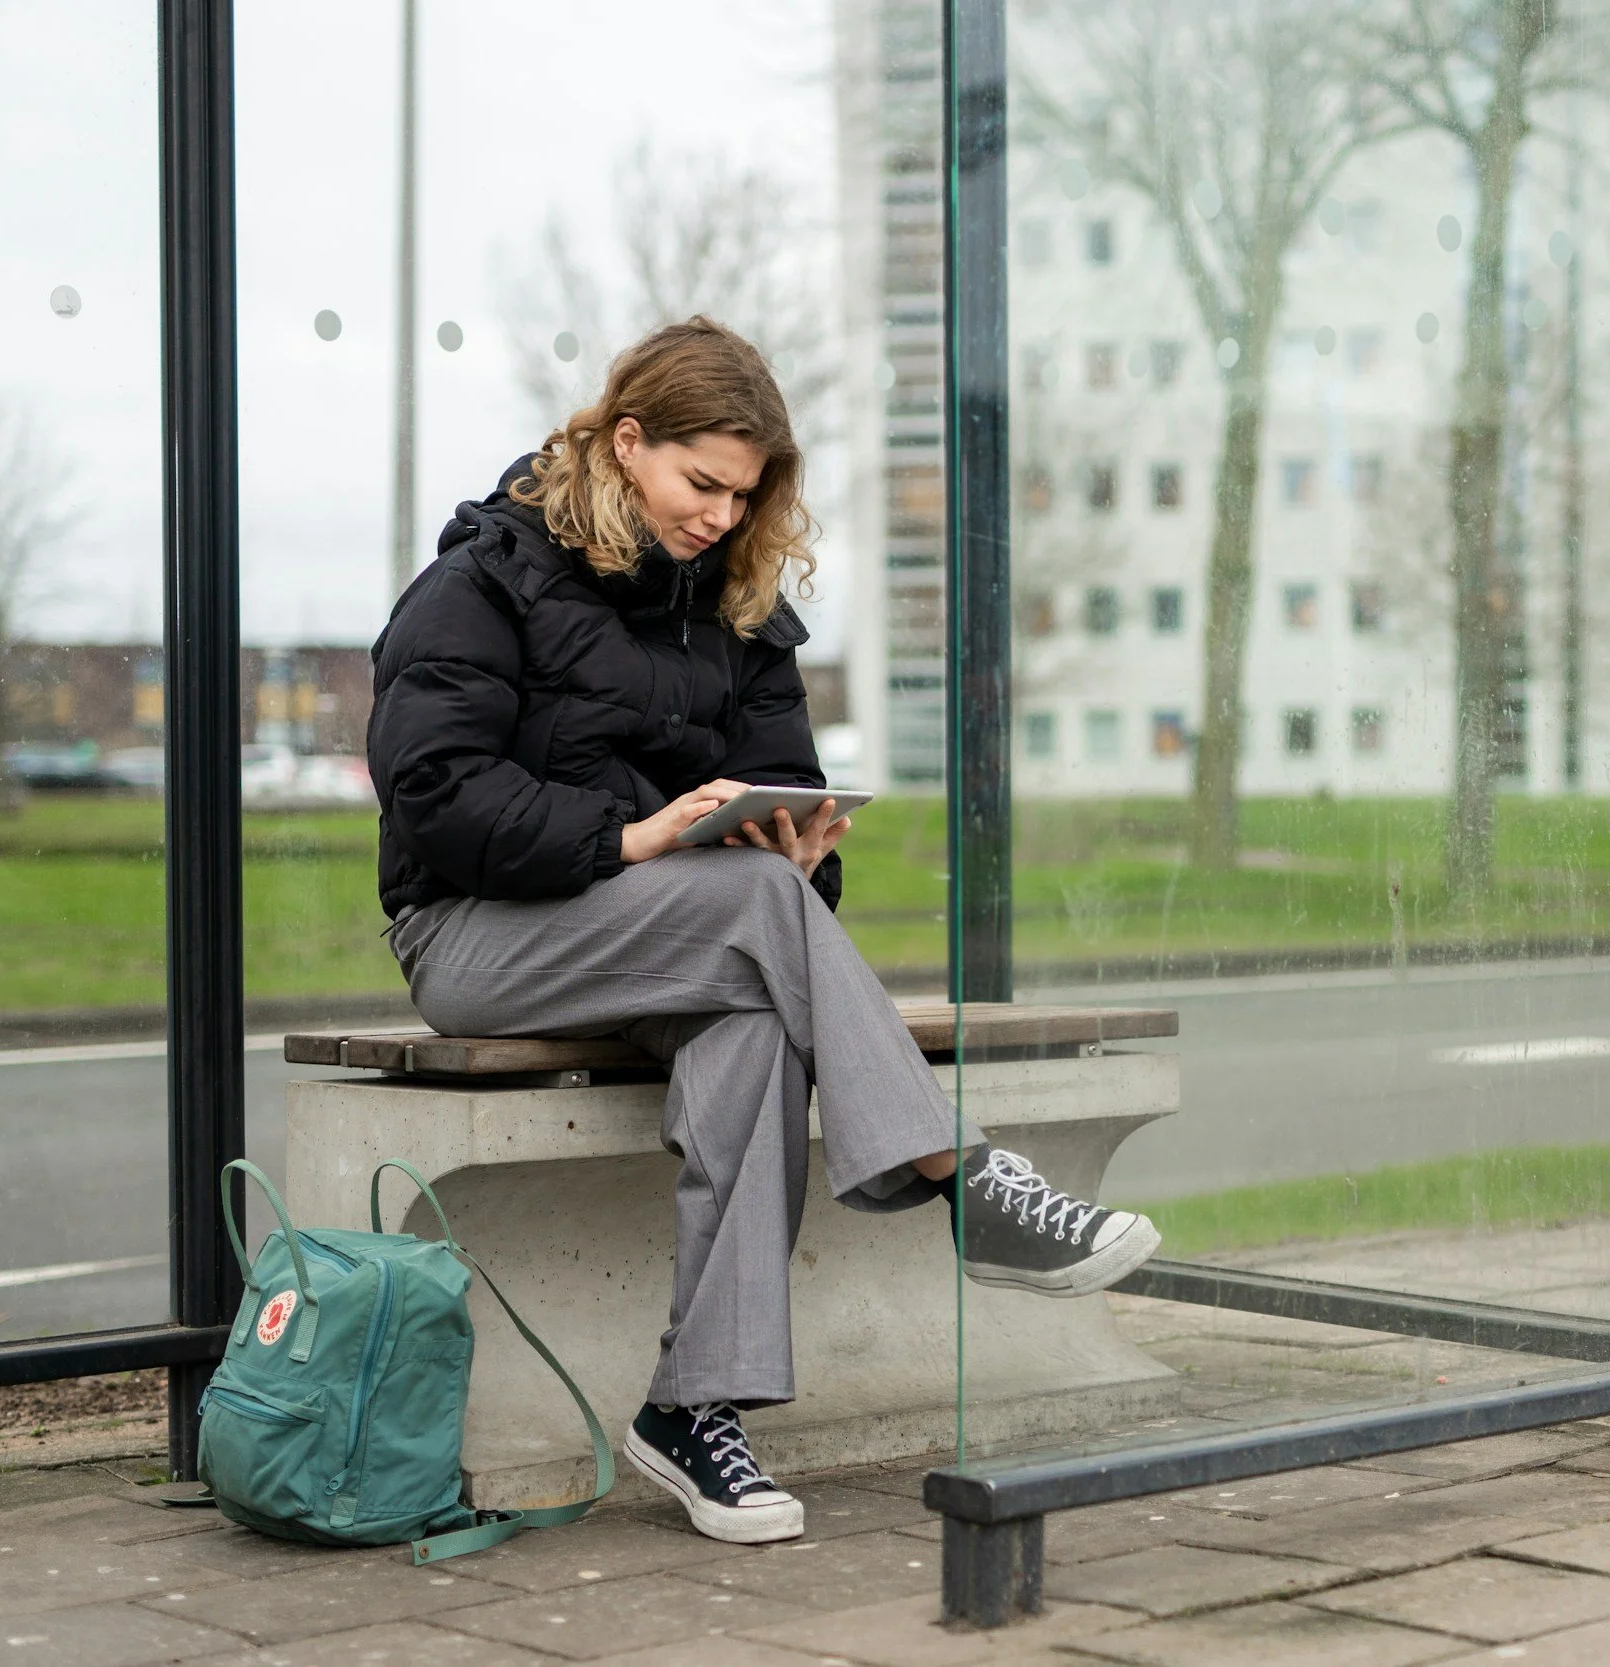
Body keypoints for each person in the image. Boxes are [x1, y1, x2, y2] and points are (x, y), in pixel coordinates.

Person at [366, 316, 1160, 1545]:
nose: (723, 517)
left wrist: (792, 853)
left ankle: (697, 1404)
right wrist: (628, 839)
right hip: (479, 935)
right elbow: (435, 794)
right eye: (702, 483)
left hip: (675, 937)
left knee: (747, 1029)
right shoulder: (482, 581)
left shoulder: (742, 614)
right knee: (750, 927)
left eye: (746, 494)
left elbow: (772, 819)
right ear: (626, 443)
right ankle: (969, 1180)